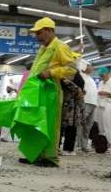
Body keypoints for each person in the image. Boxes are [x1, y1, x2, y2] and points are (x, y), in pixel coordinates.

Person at [20, 17, 76, 167]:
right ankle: (35, 154)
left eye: (39, 33)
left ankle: (50, 158)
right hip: (37, 91)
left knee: (50, 124)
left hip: (51, 92)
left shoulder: (60, 46)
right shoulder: (43, 48)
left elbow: (71, 69)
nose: (36, 36)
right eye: (36, 33)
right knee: (36, 123)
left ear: (50, 31)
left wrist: (51, 72)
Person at [60, 68, 85, 156]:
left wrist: (80, 91)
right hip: (68, 103)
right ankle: (62, 148)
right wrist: (79, 90)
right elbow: (67, 83)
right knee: (64, 126)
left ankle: (68, 148)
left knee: (71, 126)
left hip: (74, 103)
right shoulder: (64, 73)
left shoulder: (74, 72)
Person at [77, 60, 98, 152]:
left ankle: (84, 145)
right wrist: (80, 50)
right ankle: (79, 144)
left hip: (93, 103)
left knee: (88, 125)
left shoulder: (90, 78)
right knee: (81, 124)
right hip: (85, 103)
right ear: (84, 67)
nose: (91, 67)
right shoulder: (81, 76)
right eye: (89, 65)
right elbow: (78, 60)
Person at [95, 67, 111, 148]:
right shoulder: (101, 82)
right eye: (100, 76)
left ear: (108, 74)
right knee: (101, 126)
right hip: (100, 105)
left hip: (108, 105)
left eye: (103, 75)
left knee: (108, 125)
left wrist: (107, 93)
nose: (101, 77)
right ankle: (103, 144)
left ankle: (110, 143)